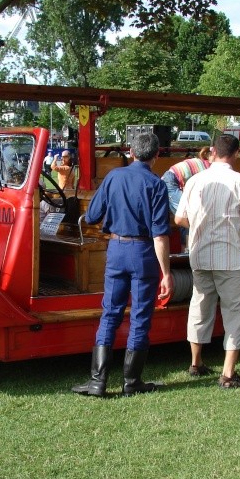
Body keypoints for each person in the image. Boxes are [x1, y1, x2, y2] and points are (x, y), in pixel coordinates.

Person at [71, 132, 173, 397]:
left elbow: (92, 215)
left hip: (116, 249)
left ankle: (97, 382)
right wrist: (167, 272)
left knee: (110, 313)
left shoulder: (114, 177)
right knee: (140, 316)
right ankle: (131, 382)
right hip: (143, 252)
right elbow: (160, 234)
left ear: (131, 151)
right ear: (157, 154)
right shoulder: (157, 185)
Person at [175, 134, 240, 387]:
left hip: (200, 255)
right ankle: (227, 373)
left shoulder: (194, 181)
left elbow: (179, 220)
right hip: (231, 257)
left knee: (200, 308)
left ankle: (196, 362)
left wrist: (201, 225)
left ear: (212, 151)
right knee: (235, 312)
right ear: (236, 153)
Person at [160, 151, 211, 249]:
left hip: (171, 180)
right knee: (186, 216)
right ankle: (188, 249)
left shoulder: (202, 164)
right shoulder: (207, 169)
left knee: (185, 215)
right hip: (171, 182)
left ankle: (186, 248)